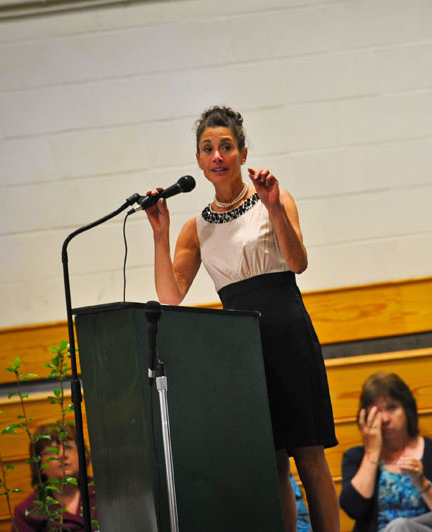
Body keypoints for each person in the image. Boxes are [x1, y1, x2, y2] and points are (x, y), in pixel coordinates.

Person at [145, 106, 339, 532]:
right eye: (208, 149)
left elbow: (298, 262)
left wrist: (274, 208)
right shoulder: (196, 227)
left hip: (286, 331)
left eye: (226, 147)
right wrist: (161, 234)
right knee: (271, 463)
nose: (217, 156)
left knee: (309, 455)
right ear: (198, 160)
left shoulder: (275, 198)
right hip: (239, 350)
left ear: (243, 152)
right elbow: (170, 296)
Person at [339, 372, 432, 532]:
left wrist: (422, 483)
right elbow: (354, 509)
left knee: (400, 526)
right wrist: (372, 453)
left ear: (407, 410)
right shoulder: (356, 457)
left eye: (392, 407)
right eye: (376, 411)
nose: (385, 419)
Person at [13, 424, 97, 532]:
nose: (62, 455)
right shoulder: (27, 512)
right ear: (39, 464)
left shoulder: (106, 493)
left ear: (82, 454)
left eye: (68, 447)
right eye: (52, 451)